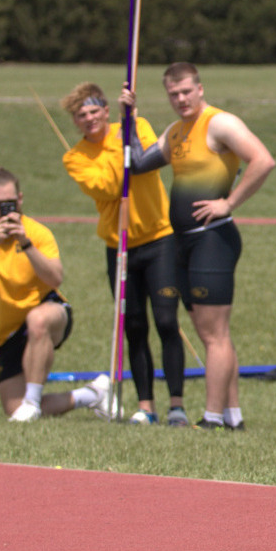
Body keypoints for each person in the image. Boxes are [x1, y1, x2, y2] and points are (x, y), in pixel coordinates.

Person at [123, 63, 276, 431]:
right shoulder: (176, 132)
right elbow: (139, 163)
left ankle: (210, 417)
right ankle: (231, 414)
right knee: (213, 331)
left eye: (185, 92)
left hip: (213, 239)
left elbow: (263, 160)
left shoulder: (219, 123)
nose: (180, 100)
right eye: (173, 94)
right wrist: (127, 118)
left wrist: (229, 202)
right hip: (185, 244)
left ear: (200, 89)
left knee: (213, 334)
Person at [61, 82, 188, 426]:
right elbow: (110, 185)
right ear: (75, 121)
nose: (88, 119)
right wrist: (123, 147)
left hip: (160, 238)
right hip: (120, 249)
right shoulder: (75, 158)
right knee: (134, 326)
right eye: (80, 115)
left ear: (105, 109)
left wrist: (128, 126)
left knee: (166, 321)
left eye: (93, 110)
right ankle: (146, 406)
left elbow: (148, 161)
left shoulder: (137, 124)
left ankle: (177, 404)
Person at [0, 168, 109, 421]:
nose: (5, 211)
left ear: (21, 199)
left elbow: (55, 277)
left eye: (11, 204)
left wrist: (25, 243)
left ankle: (33, 401)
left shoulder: (37, 233)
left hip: (50, 313)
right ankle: (92, 395)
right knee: (14, 410)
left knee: (37, 320)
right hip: (10, 333)